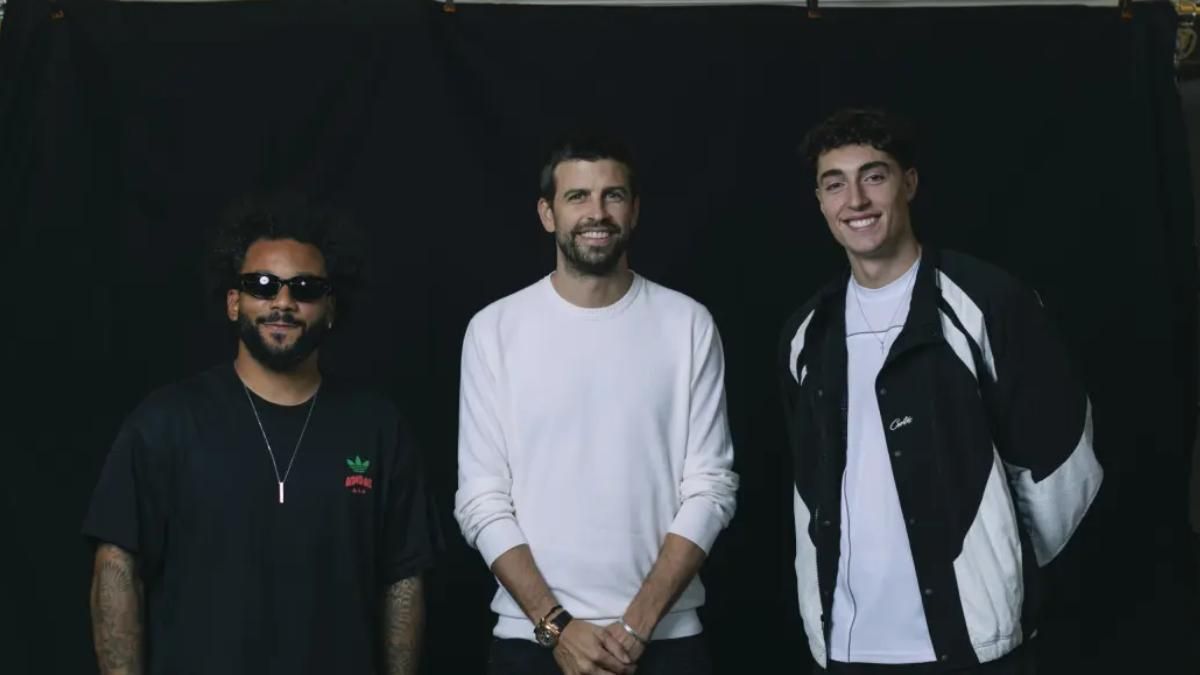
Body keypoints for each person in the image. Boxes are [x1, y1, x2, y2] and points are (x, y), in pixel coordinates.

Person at [779, 109, 1103, 674]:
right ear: (820, 200)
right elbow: (808, 481)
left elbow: (1063, 466)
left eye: (874, 176)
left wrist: (1001, 569)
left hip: (972, 640)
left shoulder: (989, 302)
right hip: (845, 642)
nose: (855, 199)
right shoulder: (808, 331)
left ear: (909, 182)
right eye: (836, 183)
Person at [82, 193, 438, 675]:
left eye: (305, 288)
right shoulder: (166, 422)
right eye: (263, 285)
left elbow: (403, 580)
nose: (283, 302)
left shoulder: (377, 427)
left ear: (330, 307)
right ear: (234, 302)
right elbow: (118, 566)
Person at [454, 133, 739, 675]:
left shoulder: (687, 324)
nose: (597, 212)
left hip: (666, 637)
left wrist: (637, 625)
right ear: (547, 213)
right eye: (578, 196)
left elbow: (711, 487)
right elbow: (481, 499)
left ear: (633, 211)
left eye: (612, 195)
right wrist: (556, 624)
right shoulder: (494, 330)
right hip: (531, 640)